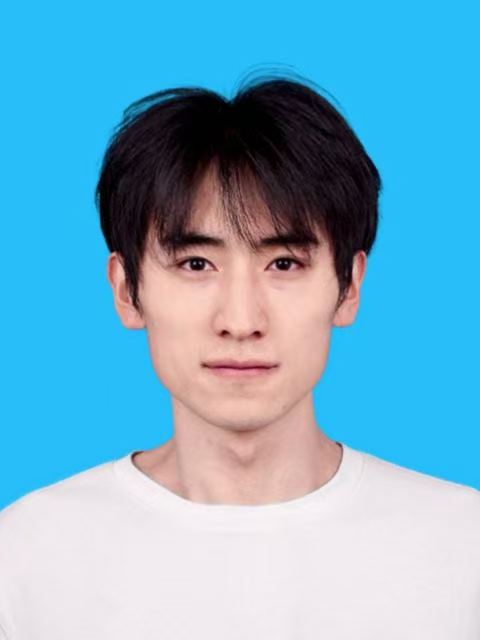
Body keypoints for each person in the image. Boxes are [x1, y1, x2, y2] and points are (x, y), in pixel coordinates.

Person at [0, 74, 478, 640]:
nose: (241, 320)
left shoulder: (462, 547)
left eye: (284, 264)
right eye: (196, 264)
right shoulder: (27, 556)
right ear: (127, 290)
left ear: (349, 286)